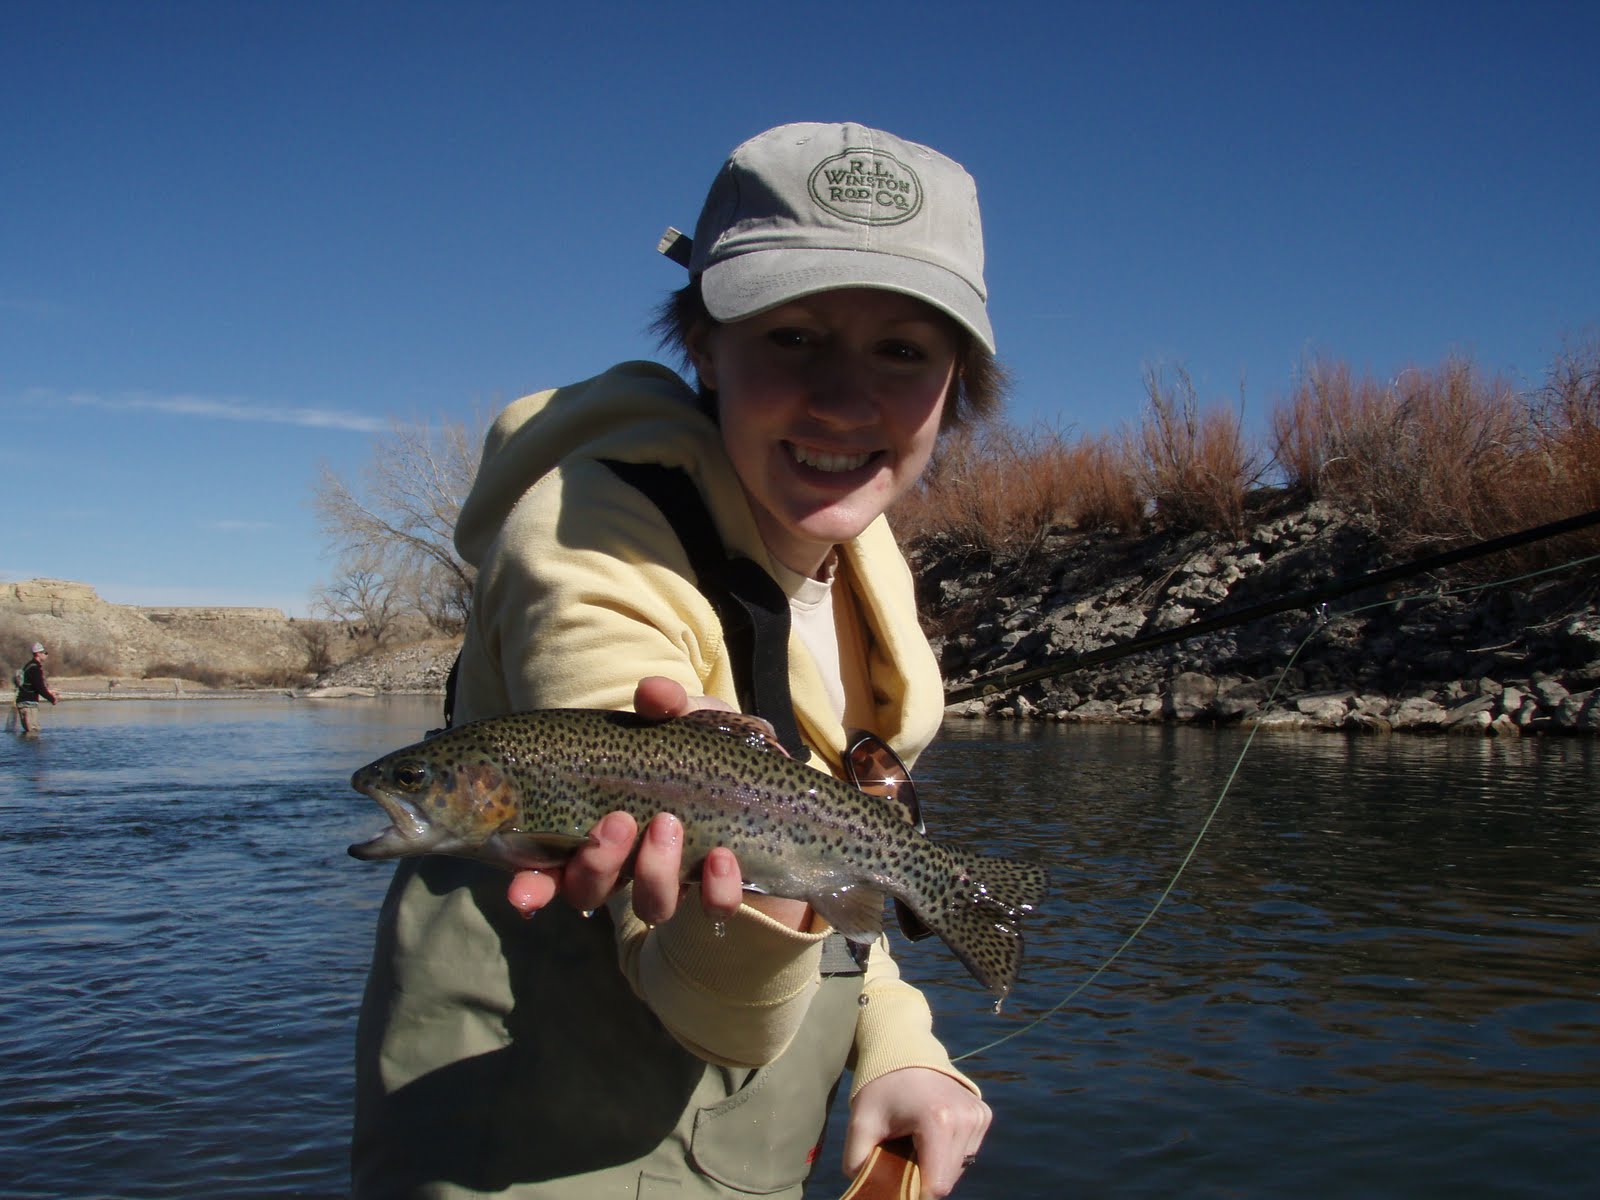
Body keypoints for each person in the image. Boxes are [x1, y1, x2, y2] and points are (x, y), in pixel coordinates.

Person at [352, 121, 1008, 1200]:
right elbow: (700, 986)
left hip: (747, 1159)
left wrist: (898, 1043)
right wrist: (732, 894)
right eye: (791, 336)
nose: (845, 400)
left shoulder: (855, 564)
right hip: (519, 1164)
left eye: (902, 349)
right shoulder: (584, 548)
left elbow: (820, 850)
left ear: (956, 381)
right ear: (702, 342)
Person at [14, 643, 58, 736]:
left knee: (29, 735)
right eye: (44, 652)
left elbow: (32, 686)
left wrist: (49, 692)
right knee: (33, 732)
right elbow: (40, 688)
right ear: (38, 653)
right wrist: (52, 699)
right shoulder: (34, 668)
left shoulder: (29, 666)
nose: (46, 654)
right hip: (28, 704)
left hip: (24, 703)